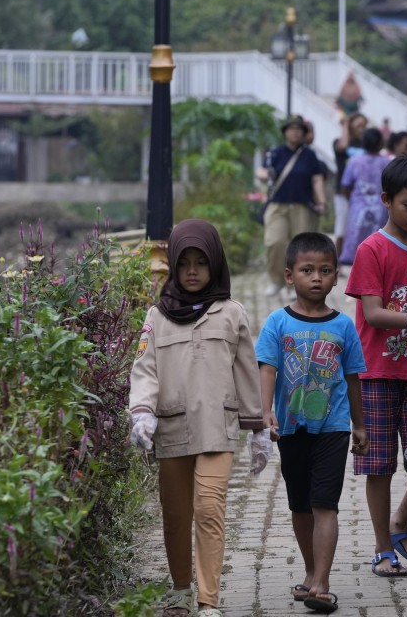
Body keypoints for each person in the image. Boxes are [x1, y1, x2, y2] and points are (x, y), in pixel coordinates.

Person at [128, 218, 267, 617]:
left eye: (200, 263)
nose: (192, 271)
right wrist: (141, 412)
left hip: (218, 430)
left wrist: (256, 429)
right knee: (175, 516)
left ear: (215, 265)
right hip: (171, 428)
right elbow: (145, 369)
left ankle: (208, 600)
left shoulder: (231, 313)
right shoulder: (157, 316)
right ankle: (180, 589)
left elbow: (246, 372)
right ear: (173, 264)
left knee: (209, 509)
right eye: (184, 262)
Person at [345, 155, 407, 578]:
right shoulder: (372, 249)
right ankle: (382, 547)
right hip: (376, 372)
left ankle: (401, 522)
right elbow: (370, 313)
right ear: (387, 200)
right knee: (380, 465)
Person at [255, 232, 369, 614]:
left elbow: (353, 378)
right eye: (307, 270)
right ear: (289, 275)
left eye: (324, 270)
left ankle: (322, 581)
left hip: (332, 428)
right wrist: (265, 409)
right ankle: (309, 571)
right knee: (300, 506)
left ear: (336, 276)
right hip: (291, 427)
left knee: (325, 505)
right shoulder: (277, 323)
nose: (316, 278)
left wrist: (360, 425)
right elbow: (268, 368)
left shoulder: (344, 327)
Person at [259, 115, 329, 296]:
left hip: (303, 207)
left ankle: (294, 285)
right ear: (285, 132)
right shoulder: (275, 153)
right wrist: (267, 175)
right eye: (292, 128)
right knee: (275, 241)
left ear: (304, 133)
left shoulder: (310, 156)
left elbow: (317, 180)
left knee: (302, 249)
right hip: (278, 206)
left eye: (299, 129)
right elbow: (262, 172)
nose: (295, 132)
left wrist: (321, 202)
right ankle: (276, 280)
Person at [340, 127, 390, 266]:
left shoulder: (354, 161)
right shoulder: (386, 162)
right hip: (381, 207)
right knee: (377, 242)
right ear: (380, 143)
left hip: (358, 207)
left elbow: (345, 185)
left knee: (356, 240)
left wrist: (352, 201)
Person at [333, 113, 368, 263]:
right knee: (341, 227)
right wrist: (345, 124)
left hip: (362, 193)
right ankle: (335, 261)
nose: (361, 129)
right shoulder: (338, 142)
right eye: (358, 125)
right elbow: (343, 147)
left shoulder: (365, 146)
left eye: (364, 126)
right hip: (343, 192)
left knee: (362, 227)